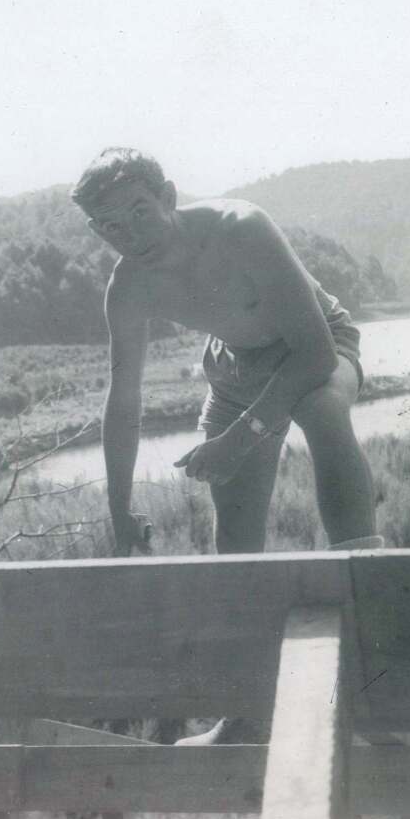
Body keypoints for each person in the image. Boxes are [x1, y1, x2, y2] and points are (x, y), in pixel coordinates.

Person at [71, 147, 381, 560]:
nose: (131, 236)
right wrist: (119, 510)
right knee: (236, 539)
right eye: (112, 227)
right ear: (97, 231)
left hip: (319, 341)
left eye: (140, 213)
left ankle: (362, 577)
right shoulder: (128, 289)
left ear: (168, 197)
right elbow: (124, 401)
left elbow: (316, 354)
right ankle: (246, 615)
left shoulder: (240, 229)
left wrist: (240, 436)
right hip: (235, 369)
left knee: (322, 409)